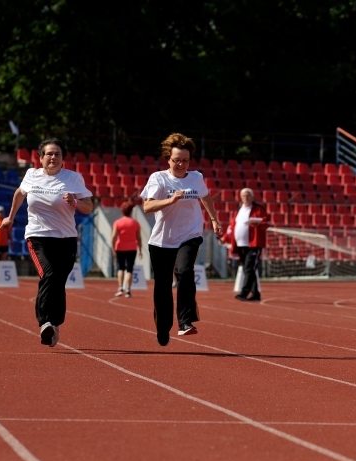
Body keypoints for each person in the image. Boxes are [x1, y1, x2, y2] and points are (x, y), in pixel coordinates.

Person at [0, 138, 93, 347]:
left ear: (62, 159)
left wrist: (75, 202)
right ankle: (45, 323)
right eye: (49, 154)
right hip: (38, 236)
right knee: (49, 274)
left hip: (66, 239)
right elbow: (19, 194)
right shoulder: (32, 175)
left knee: (57, 282)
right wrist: (11, 217)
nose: (53, 157)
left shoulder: (73, 178)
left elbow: (89, 207)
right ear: (41, 158)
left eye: (57, 154)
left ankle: (55, 324)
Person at [141, 133, 223, 346]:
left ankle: (186, 322)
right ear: (168, 158)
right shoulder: (158, 178)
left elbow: (204, 196)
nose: (181, 164)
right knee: (163, 287)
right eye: (177, 159)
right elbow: (147, 207)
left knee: (185, 271)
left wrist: (214, 219)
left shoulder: (196, 178)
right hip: (161, 241)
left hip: (190, 235)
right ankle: (162, 327)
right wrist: (171, 199)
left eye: (185, 160)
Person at [225, 187, 266, 302]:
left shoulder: (258, 209)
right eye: (243, 195)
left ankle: (244, 292)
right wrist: (225, 238)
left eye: (248, 195)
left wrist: (259, 223)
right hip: (240, 244)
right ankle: (256, 294)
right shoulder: (238, 210)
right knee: (249, 269)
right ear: (240, 197)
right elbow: (232, 226)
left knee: (249, 268)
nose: (246, 197)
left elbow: (266, 222)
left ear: (253, 197)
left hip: (254, 244)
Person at [111, 200, 142, 297]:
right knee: (129, 269)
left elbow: (113, 236)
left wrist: (113, 248)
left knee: (120, 268)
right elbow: (139, 238)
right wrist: (140, 250)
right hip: (132, 248)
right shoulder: (135, 223)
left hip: (120, 247)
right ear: (131, 211)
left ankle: (120, 288)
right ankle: (128, 290)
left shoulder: (118, 222)